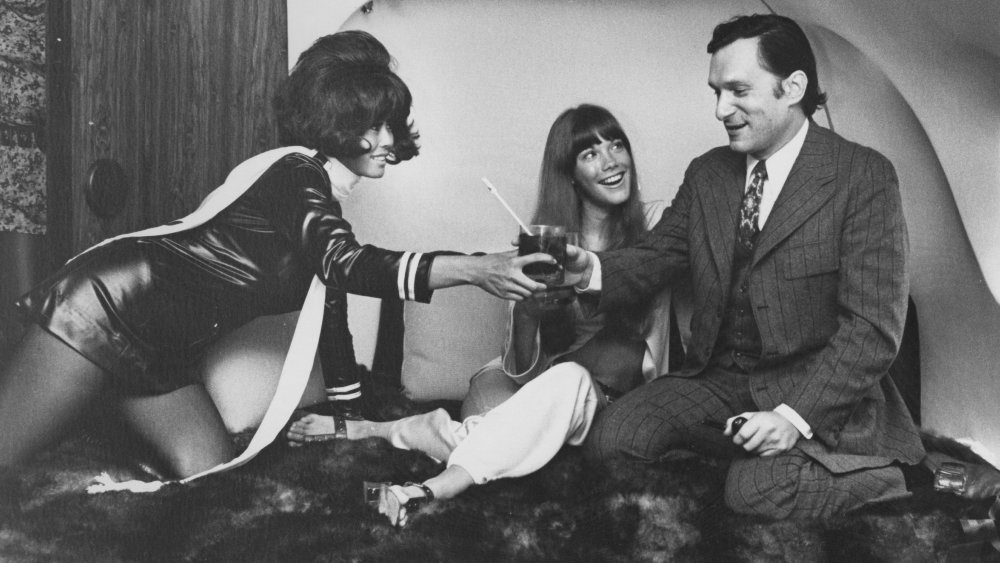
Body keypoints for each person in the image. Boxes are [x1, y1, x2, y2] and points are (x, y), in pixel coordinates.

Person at [0, 30, 553, 481]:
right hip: (106, 303)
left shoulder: (323, 206)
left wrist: (352, 420)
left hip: (161, 350)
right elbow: (345, 265)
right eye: (372, 124)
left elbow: (329, 313)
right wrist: (478, 270)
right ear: (336, 121)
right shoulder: (296, 174)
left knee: (207, 474)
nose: (388, 138)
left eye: (391, 123)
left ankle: (104, 413)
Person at [560, 14, 936, 520]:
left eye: (738, 90)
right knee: (612, 440)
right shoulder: (708, 173)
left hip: (814, 392)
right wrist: (590, 270)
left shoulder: (863, 176)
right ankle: (744, 460)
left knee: (754, 491)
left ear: (793, 87)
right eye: (716, 91)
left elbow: (873, 330)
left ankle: (895, 477)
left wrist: (793, 417)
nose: (720, 109)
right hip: (720, 379)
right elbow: (658, 255)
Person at [288, 104, 679, 527]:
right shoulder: (542, 245)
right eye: (590, 153)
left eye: (616, 145)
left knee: (525, 415)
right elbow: (521, 371)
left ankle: (396, 451)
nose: (611, 161)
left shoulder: (658, 224)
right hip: (542, 387)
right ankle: (421, 475)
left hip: (610, 398)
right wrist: (529, 314)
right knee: (546, 398)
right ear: (569, 173)